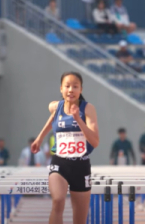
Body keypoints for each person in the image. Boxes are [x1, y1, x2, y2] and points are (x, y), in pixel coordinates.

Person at [30, 72, 99, 224]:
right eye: (67, 86)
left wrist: (78, 120)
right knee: (58, 200)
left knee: (80, 219)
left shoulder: (88, 109)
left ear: (81, 89)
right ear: (61, 89)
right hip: (60, 162)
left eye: (75, 86)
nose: (71, 90)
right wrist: (40, 138)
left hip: (81, 164)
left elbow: (95, 141)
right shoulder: (56, 106)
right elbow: (53, 115)